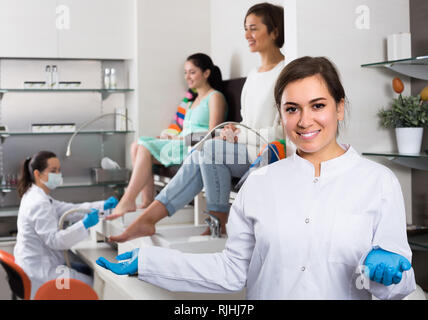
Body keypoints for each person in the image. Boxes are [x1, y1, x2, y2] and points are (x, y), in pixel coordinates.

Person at [97, 56, 416, 300]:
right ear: (281, 115)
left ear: (340, 108)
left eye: (318, 105)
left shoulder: (378, 182)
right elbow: (232, 271)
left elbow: (401, 286)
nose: (305, 121)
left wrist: (388, 277)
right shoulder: (260, 183)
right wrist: (148, 263)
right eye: (292, 109)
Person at [106, 2, 287, 237]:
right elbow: (247, 122)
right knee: (202, 151)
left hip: (267, 152)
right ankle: (156, 218)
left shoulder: (287, 72)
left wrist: (240, 134)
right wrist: (234, 129)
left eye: (253, 28)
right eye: (245, 29)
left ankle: (210, 220)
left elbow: (285, 131)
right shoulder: (253, 76)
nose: (247, 35)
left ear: (274, 31)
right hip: (244, 147)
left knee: (208, 148)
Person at [111, 53, 227, 214]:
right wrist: (170, 137)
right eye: (185, 72)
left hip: (193, 146)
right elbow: (185, 128)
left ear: (206, 73)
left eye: (192, 72)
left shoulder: (215, 97)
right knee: (136, 145)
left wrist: (181, 138)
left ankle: (129, 200)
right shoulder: (192, 101)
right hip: (180, 141)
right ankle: (145, 202)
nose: (187, 77)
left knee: (143, 147)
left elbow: (213, 133)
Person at [13, 151, 119, 299]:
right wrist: (85, 224)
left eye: (59, 170)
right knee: (94, 285)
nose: (58, 174)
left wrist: (103, 205)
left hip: (38, 265)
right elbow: (55, 241)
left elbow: (69, 210)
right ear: (37, 174)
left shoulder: (38, 196)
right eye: (53, 171)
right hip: (41, 272)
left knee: (90, 276)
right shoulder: (38, 202)